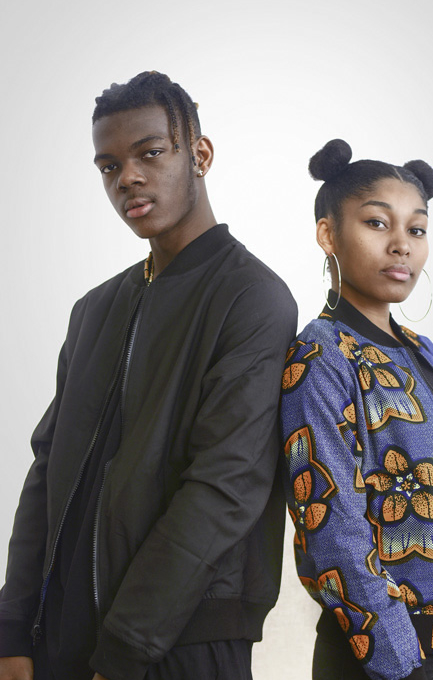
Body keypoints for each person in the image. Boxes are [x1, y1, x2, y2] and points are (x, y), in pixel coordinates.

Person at [0, 71, 297, 680]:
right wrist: (12, 629)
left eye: (150, 153)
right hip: (60, 637)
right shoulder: (94, 309)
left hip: (182, 642)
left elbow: (225, 486)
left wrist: (126, 649)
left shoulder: (253, 298)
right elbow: (47, 472)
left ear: (200, 154)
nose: (127, 178)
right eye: (108, 166)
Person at [280, 139, 433, 680]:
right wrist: (400, 661)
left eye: (416, 230)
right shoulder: (321, 357)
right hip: (394, 662)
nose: (401, 246)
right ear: (328, 234)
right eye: (377, 223)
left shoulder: (419, 350)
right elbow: (330, 528)